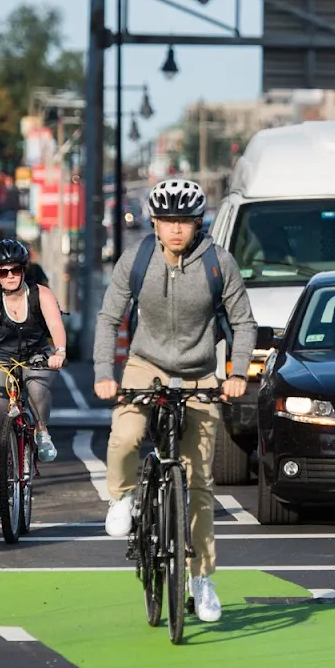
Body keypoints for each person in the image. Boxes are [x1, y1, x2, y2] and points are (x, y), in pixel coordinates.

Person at [93, 178, 256, 625]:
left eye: (185, 221)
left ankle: (202, 579)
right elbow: (109, 318)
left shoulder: (219, 264)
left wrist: (237, 373)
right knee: (126, 435)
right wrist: (105, 375)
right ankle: (122, 497)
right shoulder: (138, 258)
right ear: (155, 223)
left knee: (199, 482)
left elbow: (243, 324)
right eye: (168, 221)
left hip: (201, 374)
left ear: (199, 223)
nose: (177, 229)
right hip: (145, 364)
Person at [0, 239, 67, 518]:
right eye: (3, 271)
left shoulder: (40, 294)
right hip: (0, 358)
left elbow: (56, 326)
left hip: (36, 355)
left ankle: (41, 432)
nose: (9, 276)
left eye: (15, 270)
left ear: (23, 270)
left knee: (36, 387)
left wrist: (60, 351)